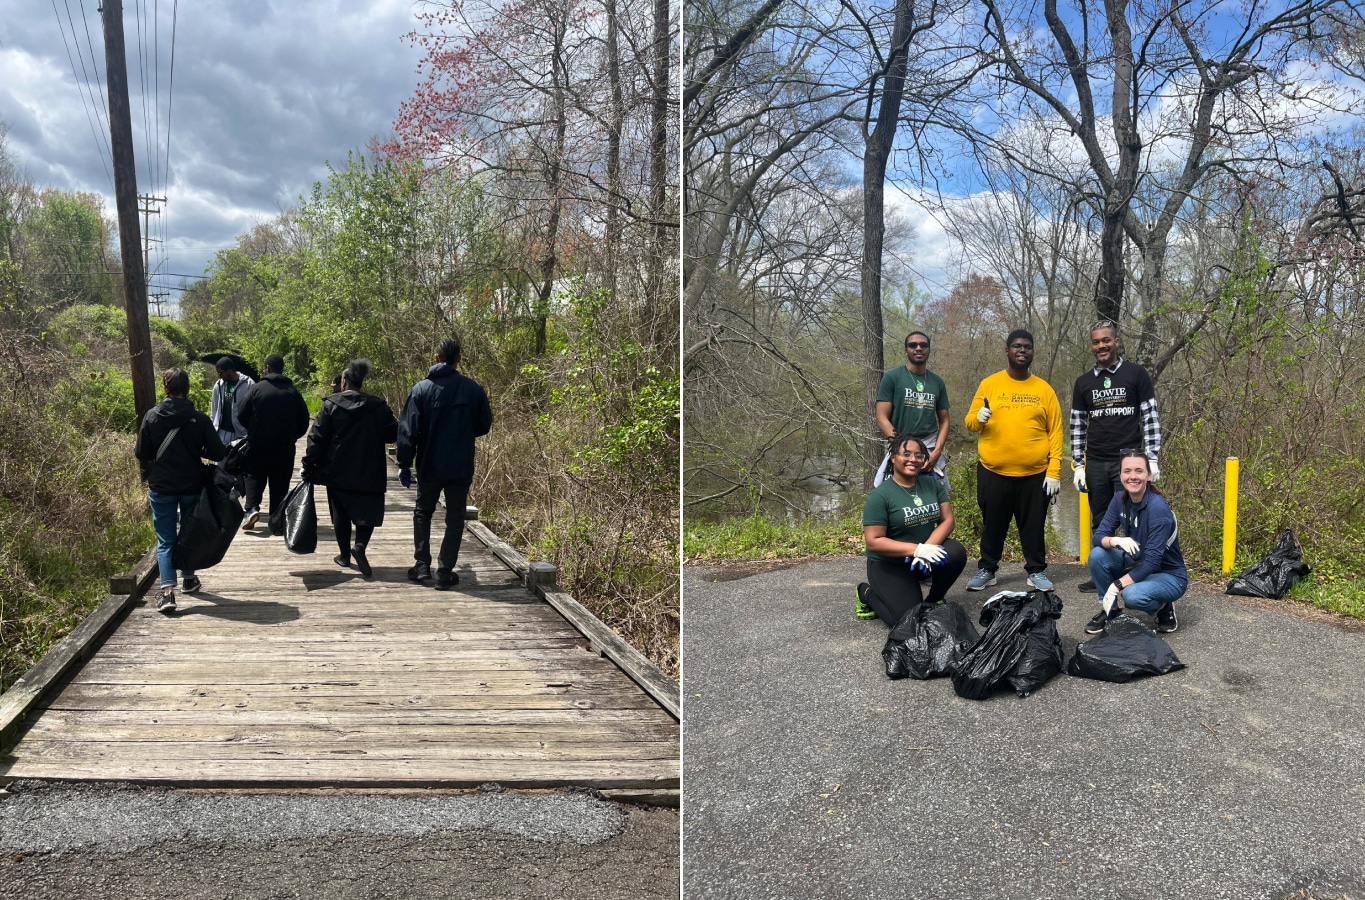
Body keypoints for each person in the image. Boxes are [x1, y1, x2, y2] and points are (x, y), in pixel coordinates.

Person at [963, 329, 1063, 592]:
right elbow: (970, 423)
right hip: (993, 471)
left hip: (1035, 474)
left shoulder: (1044, 389)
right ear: (1006, 351)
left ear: (1032, 352)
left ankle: (1036, 571)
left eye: (1027, 347)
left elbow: (1055, 433)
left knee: (1033, 526)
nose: (1022, 350)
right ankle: (987, 569)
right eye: (1016, 346)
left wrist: (1054, 471)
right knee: (993, 524)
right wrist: (979, 417)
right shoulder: (990, 384)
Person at [1070, 320, 1162, 591]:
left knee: (1136, 519)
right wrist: (1078, 464)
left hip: (1129, 462)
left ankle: (1139, 573)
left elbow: (1151, 418)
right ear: (1092, 346)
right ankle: (1104, 572)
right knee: (1101, 521)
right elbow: (1077, 426)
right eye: (1096, 342)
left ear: (1116, 342)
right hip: (1096, 462)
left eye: (1106, 340)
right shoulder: (1083, 382)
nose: (1102, 346)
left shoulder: (1136, 374)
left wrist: (1152, 458)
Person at [396, 336, 493, 590]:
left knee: (422, 513)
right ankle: (444, 572)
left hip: (429, 464)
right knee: (455, 518)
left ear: (436, 359)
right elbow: (484, 425)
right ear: (458, 359)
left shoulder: (420, 390)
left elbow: (407, 431)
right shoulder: (473, 389)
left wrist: (404, 464)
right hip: (460, 465)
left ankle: (421, 566)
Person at [133, 367, 226, 614]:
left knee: (166, 539)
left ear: (165, 388)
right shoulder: (199, 419)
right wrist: (197, 451)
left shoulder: (151, 417)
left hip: (162, 486)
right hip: (191, 485)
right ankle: (188, 579)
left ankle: (167, 594)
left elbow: (142, 453)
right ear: (187, 390)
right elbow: (218, 453)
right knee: (189, 533)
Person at [856, 434, 968, 623]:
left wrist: (926, 550)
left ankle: (933, 600)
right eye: (906, 454)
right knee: (906, 621)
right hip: (890, 564)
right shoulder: (880, 496)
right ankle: (866, 593)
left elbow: (948, 520)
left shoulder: (931, 484)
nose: (913, 460)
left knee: (955, 552)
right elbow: (873, 541)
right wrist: (916, 549)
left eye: (919, 455)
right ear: (893, 458)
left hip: (920, 559)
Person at [301, 359, 398, 577]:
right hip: (370, 470)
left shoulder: (331, 405)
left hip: (338, 470)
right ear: (361, 382)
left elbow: (316, 437)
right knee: (368, 512)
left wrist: (309, 464)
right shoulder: (378, 406)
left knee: (340, 513)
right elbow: (393, 433)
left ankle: (344, 555)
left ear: (344, 381)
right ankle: (360, 546)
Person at [1084, 449, 1186, 634]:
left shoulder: (1157, 508)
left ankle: (1163, 607)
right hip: (1139, 563)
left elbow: (1153, 562)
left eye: (1139, 471)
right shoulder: (1119, 499)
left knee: (1132, 595)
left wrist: (1116, 586)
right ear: (1121, 475)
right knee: (1098, 555)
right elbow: (1098, 537)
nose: (1133, 476)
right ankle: (1111, 611)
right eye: (1127, 471)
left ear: (1148, 475)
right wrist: (1115, 540)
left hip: (1169, 574)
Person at [237, 354, 311, 532]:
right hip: (284, 447)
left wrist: (253, 430)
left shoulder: (257, 389)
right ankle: (277, 519)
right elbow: (304, 420)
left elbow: (241, 413)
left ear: (267, 368)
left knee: (253, 475)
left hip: (258, 445)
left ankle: (252, 509)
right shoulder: (293, 392)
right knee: (280, 480)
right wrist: (292, 435)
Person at [874, 331, 950, 488]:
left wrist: (936, 452)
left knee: (934, 495)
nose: (918, 348)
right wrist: (900, 448)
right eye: (912, 345)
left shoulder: (937, 382)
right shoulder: (892, 377)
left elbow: (945, 420)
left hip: (928, 447)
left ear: (929, 350)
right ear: (906, 350)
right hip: (900, 445)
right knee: (890, 492)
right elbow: (882, 417)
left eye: (923, 345)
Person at [210, 357, 254, 448]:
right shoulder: (218, 386)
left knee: (239, 462)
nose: (219, 376)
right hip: (222, 433)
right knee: (220, 461)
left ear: (229, 371)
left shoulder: (249, 385)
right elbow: (213, 411)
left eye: (221, 373)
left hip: (241, 434)